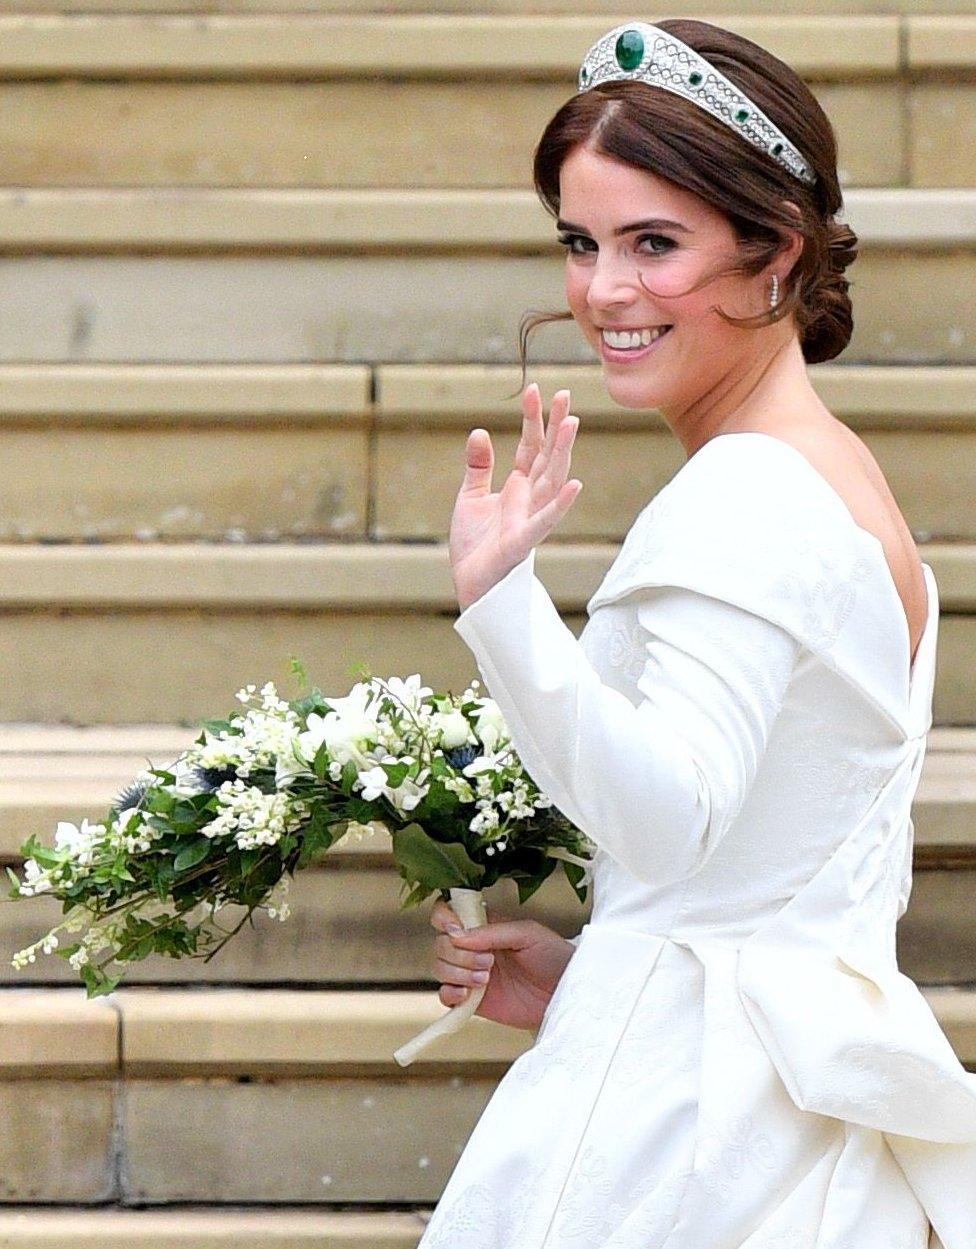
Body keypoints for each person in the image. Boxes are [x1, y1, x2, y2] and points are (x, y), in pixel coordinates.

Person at [419, 18, 974, 1249]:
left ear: (774, 253)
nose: (604, 290)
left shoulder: (748, 492)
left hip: (690, 1135)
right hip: (771, 1095)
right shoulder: (832, 474)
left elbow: (670, 824)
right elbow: (777, 851)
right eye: (581, 242)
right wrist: (603, 971)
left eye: (653, 243)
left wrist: (502, 606)